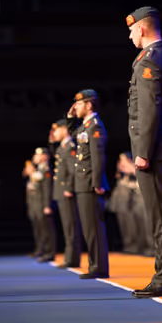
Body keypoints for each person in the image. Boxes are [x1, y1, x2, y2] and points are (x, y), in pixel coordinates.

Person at [124, 5, 162, 297]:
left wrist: (143, 150)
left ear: (141, 28)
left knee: (159, 217)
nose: (130, 36)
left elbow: (149, 109)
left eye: (131, 30)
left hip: (155, 149)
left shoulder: (149, 59)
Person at [70, 89, 110, 279]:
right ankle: (95, 265)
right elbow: (73, 136)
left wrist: (96, 182)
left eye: (79, 104)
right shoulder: (85, 126)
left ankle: (99, 267)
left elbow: (97, 156)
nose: (75, 107)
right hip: (83, 183)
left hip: (89, 183)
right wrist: (70, 118)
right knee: (89, 228)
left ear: (89, 104)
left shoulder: (95, 126)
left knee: (94, 227)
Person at [50, 120, 83, 269]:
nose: (54, 134)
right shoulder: (62, 147)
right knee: (67, 226)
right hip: (61, 191)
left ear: (64, 129)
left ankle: (72, 258)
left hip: (66, 191)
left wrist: (69, 187)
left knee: (71, 226)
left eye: (56, 130)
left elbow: (73, 170)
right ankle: (69, 257)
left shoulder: (70, 147)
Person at [31, 148, 56, 261]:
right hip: (37, 203)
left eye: (39, 155)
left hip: (42, 203)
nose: (36, 157)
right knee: (41, 229)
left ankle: (49, 252)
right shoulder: (39, 170)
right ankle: (43, 250)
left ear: (45, 156)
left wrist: (47, 205)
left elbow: (47, 189)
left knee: (47, 229)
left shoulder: (46, 169)